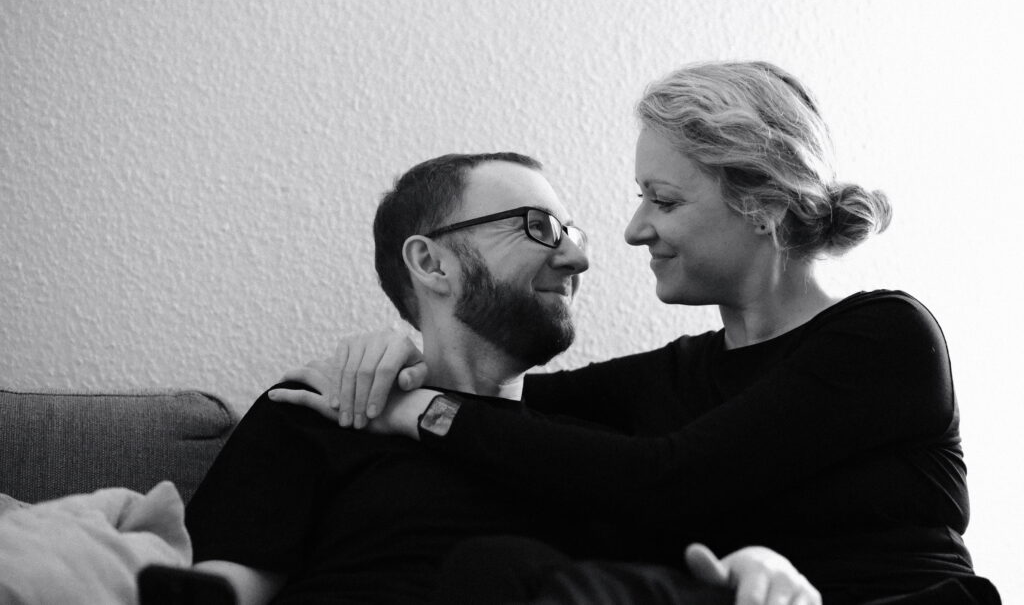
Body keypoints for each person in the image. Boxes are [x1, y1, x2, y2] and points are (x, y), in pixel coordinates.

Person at [276, 61, 1001, 604]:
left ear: (763, 204)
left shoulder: (884, 337)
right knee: (499, 569)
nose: (633, 229)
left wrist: (423, 410)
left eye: (664, 199)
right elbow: (495, 399)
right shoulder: (675, 375)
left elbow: (665, 482)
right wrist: (391, 359)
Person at [184, 151, 817, 604]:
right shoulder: (324, 409)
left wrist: (755, 563)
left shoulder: (601, 452)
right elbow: (225, 586)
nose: (577, 257)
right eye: (540, 227)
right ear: (432, 263)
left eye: (572, 233)